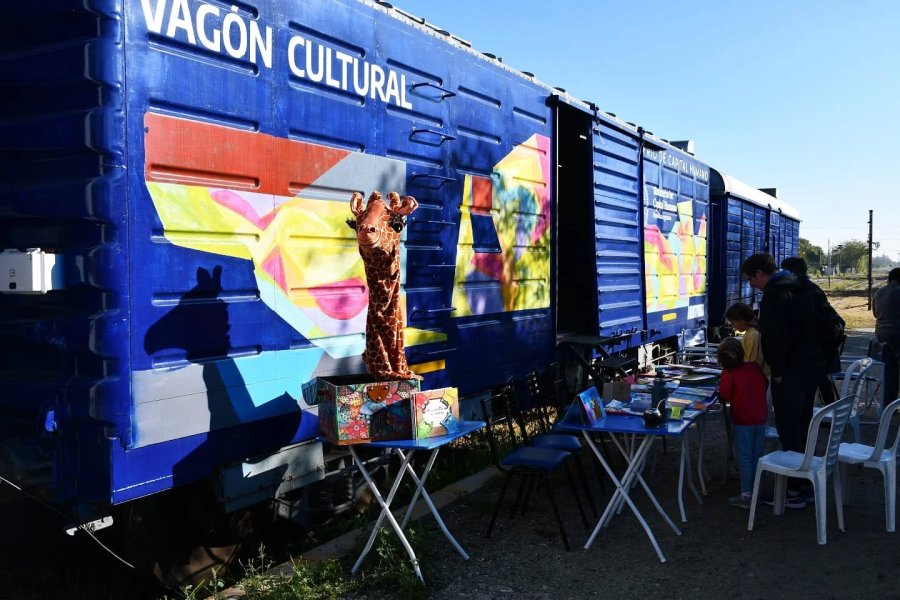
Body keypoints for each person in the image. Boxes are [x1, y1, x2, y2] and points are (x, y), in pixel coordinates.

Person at [741, 253, 824, 508]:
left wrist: (776, 370)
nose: (751, 285)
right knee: (803, 423)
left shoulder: (775, 293)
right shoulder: (803, 285)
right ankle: (806, 485)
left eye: (750, 280)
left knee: (788, 427)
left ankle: (793, 491)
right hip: (812, 366)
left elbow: (775, 337)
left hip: (789, 370)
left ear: (759, 274)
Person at [781, 256, 844, 404]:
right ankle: (828, 408)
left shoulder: (797, 289)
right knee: (822, 379)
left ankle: (817, 412)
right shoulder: (813, 287)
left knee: (808, 382)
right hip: (825, 342)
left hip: (813, 344)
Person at [717, 337, 768, 509]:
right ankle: (757, 490)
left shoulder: (729, 373)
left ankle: (747, 495)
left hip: (742, 420)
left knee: (745, 458)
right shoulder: (754, 368)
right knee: (757, 456)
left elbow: (725, 395)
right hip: (760, 417)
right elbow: (764, 384)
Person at [873, 268, 900, 406]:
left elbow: (875, 313)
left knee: (890, 371)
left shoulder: (879, 292)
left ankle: (889, 405)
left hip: (882, 335)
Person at [724, 302, 764, 369]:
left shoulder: (753, 335)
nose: (733, 327)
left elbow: (751, 362)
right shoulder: (751, 333)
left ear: (741, 320)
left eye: (733, 323)